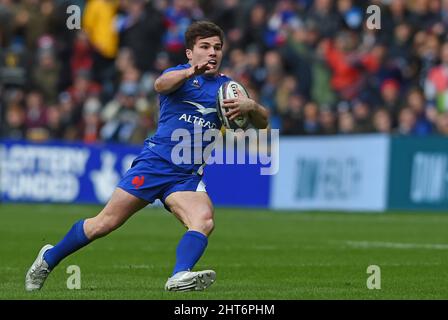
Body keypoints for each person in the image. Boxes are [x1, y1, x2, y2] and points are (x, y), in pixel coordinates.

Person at [25, 21, 269, 292]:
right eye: (205, 47)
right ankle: (48, 258)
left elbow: (262, 123)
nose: (212, 53)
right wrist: (189, 72)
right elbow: (159, 84)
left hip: (185, 176)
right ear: (190, 53)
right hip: (155, 164)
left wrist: (252, 105)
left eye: (217, 48)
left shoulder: (229, 88)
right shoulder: (180, 75)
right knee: (104, 223)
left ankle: (179, 275)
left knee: (204, 219)